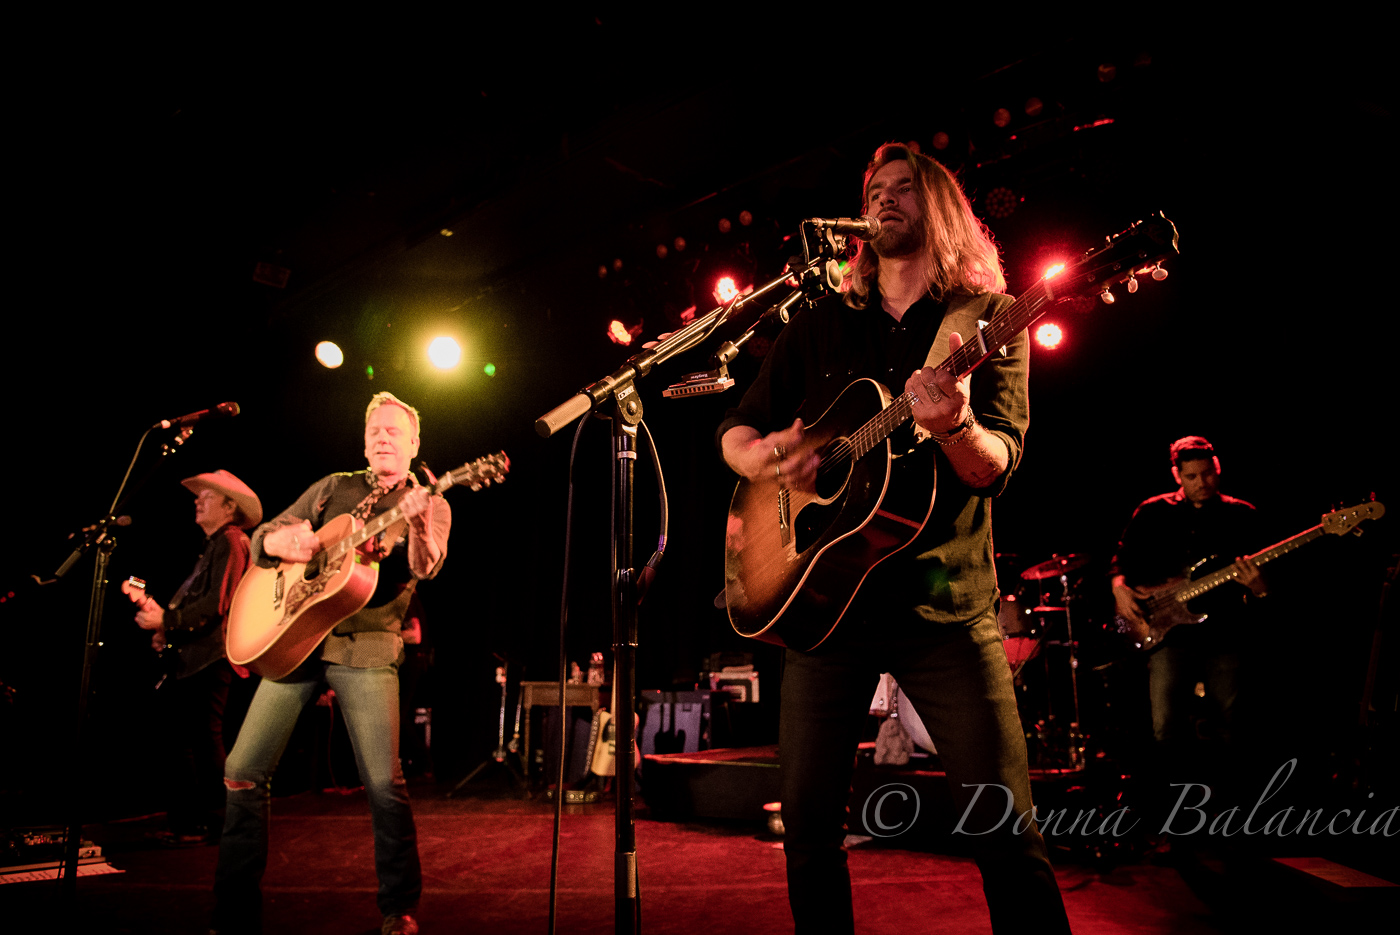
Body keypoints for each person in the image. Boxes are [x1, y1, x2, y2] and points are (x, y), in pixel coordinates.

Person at [718, 143, 1070, 933]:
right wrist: (769, 456)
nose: (884, 199)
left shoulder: (986, 319)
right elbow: (735, 430)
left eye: (905, 188)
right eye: (874, 189)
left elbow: (996, 465)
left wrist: (956, 424)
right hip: (825, 611)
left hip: (944, 612)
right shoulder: (817, 324)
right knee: (808, 835)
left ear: (940, 208)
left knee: (1007, 836)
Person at [212, 393, 450, 935]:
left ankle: (398, 907)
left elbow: (426, 568)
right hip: (296, 641)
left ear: (415, 444)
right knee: (241, 773)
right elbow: (261, 536)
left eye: (393, 431)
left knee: (382, 784)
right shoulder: (331, 486)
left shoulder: (430, 499)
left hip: (365, 648)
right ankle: (233, 914)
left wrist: (416, 525)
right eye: (373, 432)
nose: (382, 438)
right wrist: (282, 540)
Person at [1110, 436, 1266, 765]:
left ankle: (1230, 803)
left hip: (1225, 633)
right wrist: (1119, 587)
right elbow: (1121, 561)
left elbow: (1267, 589)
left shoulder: (1242, 515)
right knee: (1166, 727)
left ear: (1218, 469)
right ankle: (1173, 803)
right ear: (1176, 475)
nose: (1201, 482)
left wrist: (1258, 586)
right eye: (1191, 476)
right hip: (1168, 635)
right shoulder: (1152, 511)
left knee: (1230, 725)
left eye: (1208, 473)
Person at [132, 469, 261, 845]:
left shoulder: (232, 541)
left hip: (213, 657)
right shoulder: (214, 547)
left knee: (203, 740)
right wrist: (166, 628)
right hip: (197, 657)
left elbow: (216, 604)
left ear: (229, 505)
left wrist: (167, 620)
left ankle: (217, 823)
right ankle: (192, 822)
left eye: (206, 496)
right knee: (184, 740)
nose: (196, 501)